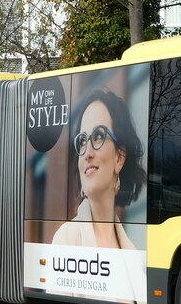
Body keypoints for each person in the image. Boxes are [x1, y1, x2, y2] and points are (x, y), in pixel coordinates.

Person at [52, 88, 146, 251]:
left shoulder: (132, 254)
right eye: (82, 141)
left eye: (98, 136)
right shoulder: (66, 238)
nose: (87, 153)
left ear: (119, 158)